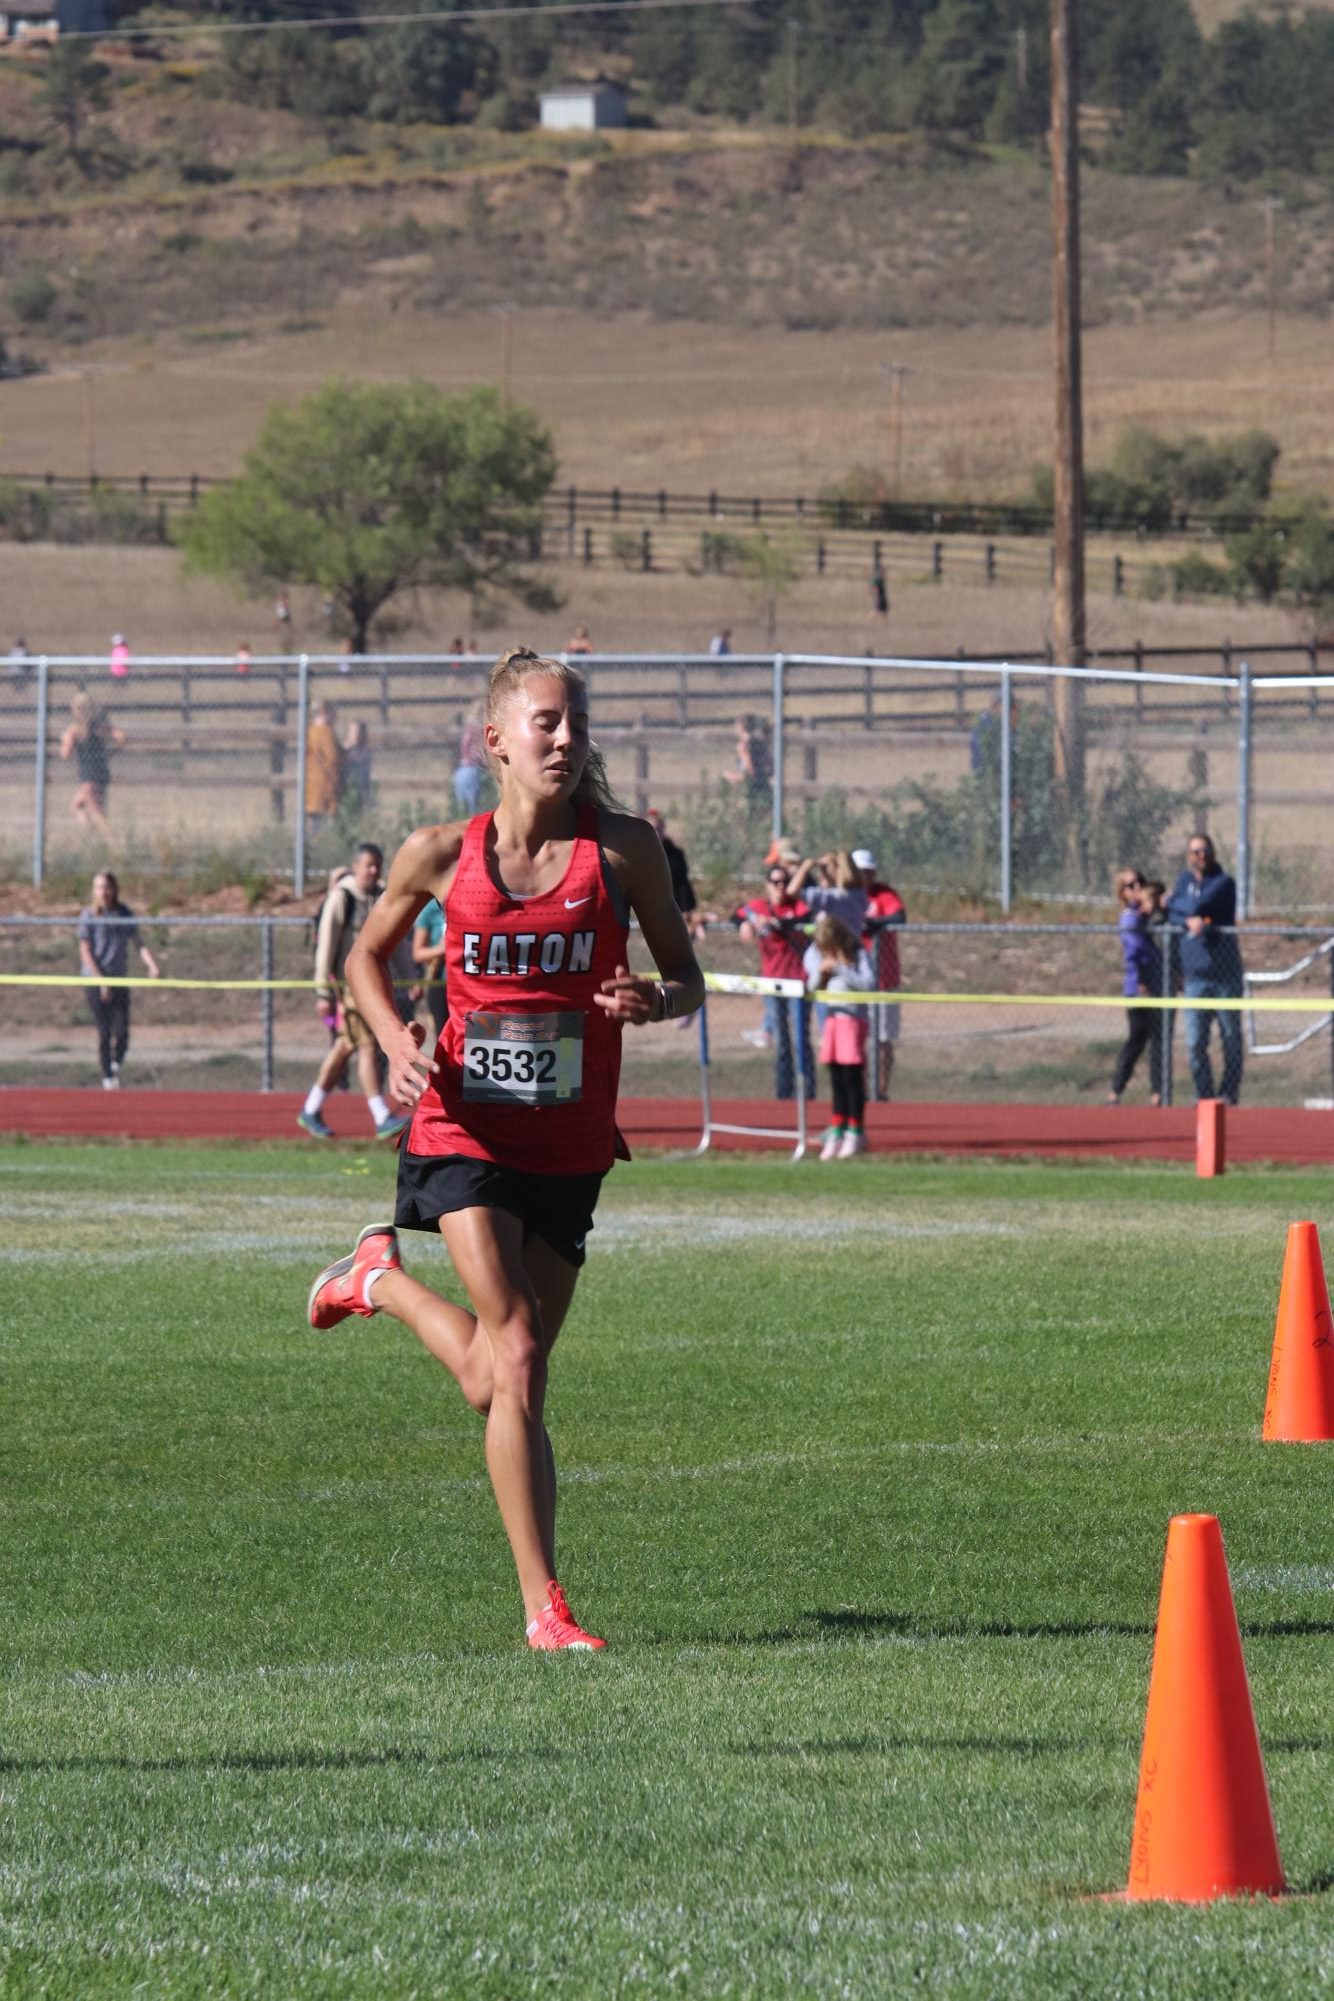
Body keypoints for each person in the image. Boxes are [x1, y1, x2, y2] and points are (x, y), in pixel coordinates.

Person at [305, 644, 705, 1651]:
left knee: (497, 1379)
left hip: (568, 1141)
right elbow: (365, 955)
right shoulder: (441, 852)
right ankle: (544, 1610)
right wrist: (395, 1038)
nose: (565, 738)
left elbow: (689, 976)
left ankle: (377, 1281)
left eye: (574, 722)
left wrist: (655, 999)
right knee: (518, 1348)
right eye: (545, 722)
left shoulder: (624, 853)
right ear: (496, 740)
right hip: (460, 1123)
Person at [298, 843, 411, 1141]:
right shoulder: (342, 899)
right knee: (366, 1046)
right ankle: (380, 1115)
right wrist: (323, 992)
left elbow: (394, 942)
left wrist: (411, 979)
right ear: (356, 865)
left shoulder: (381, 897)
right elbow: (326, 947)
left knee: (346, 1046)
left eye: (378, 865)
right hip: (350, 987)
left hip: (373, 984)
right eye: (368, 865)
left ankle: (311, 1108)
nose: (373, 871)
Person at [1166, 833, 1244, 1105]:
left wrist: (1174, 904)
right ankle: (1205, 1096)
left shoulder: (1224, 882)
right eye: (1195, 851)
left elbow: (1199, 904)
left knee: (1231, 1038)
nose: (1200, 856)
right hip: (1195, 977)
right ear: (1188, 856)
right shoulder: (1184, 882)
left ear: (1212, 853)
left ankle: (1228, 1094)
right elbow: (1174, 914)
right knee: (1194, 1042)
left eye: (1205, 850)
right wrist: (1186, 917)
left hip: (1225, 977)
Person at [734, 860, 814, 1099]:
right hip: (772, 982)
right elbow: (738, 913)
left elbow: (802, 921)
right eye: (775, 882)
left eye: (785, 882)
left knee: (801, 1039)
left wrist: (775, 923)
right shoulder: (759, 907)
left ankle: (807, 1092)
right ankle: (784, 1093)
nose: (780, 886)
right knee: (780, 1040)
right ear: (767, 885)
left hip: (798, 982)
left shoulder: (798, 906)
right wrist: (745, 923)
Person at [77, 870, 161, 1088]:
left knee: (122, 1031)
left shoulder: (124, 914)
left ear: (114, 889)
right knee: (104, 1031)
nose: (103, 892)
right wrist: (100, 980)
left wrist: (152, 965)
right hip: (95, 980)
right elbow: (85, 951)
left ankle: (115, 1064)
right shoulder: (89, 915)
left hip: (118, 979)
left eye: (107, 887)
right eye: (98, 887)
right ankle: (107, 1076)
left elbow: (138, 942)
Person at [803, 912, 874, 1160]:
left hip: (852, 1021)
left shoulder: (858, 953)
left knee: (852, 1079)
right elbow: (811, 985)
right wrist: (822, 975)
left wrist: (842, 969)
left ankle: (855, 1132)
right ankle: (838, 1129)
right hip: (832, 1020)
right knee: (836, 1079)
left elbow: (868, 983)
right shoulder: (817, 954)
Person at [853, 846, 906, 1099]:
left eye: (867, 871)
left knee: (883, 1038)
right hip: (854, 979)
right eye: (858, 871)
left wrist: (874, 924)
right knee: (857, 1040)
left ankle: (881, 1090)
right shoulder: (844, 895)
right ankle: (860, 1091)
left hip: (884, 979)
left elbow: (899, 916)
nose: (864, 876)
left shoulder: (883, 894)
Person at [1107, 869, 1163, 1106]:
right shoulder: (1130, 918)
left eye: (1141, 881)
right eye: (1132, 885)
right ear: (1123, 892)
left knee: (1158, 1040)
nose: (1138, 886)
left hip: (1158, 984)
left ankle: (1158, 1093)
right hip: (1139, 987)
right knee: (1137, 1039)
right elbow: (1135, 953)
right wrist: (1141, 981)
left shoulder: (1145, 915)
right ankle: (1116, 1090)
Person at [60, 692, 124, 845]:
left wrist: (64, 741)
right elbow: (120, 737)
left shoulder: (74, 730)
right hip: (102, 774)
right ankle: (89, 837)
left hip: (88, 776)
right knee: (77, 805)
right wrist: (111, 752)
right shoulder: (101, 726)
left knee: (97, 815)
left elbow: (65, 754)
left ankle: (115, 845)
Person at [785, 849, 869, 935]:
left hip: (833, 946)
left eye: (824, 868)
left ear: (837, 871)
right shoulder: (858, 893)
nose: (820, 874)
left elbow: (792, 891)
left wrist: (805, 868)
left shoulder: (833, 897)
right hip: (851, 945)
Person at [412, 895, 447, 1043]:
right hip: (440, 984)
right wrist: (441, 949)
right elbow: (417, 953)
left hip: (470, 984)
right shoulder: (432, 909)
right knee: (444, 1039)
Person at [305, 700, 342, 831]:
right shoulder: (325, 733)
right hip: (325, 789)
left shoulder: (309, 732)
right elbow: (332, 758)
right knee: (325, 829)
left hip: (310, 789)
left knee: (312, 827)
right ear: (326, 714)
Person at [724, 713, 772, 804]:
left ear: (741, 728)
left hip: (753, 792)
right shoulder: (759, 742)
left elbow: (750, 773)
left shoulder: (744, 746)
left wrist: (733, 777)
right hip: (764, 789)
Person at [453, 701, 489, 816]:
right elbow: (479, 753)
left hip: (462, 770)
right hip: (474, 770)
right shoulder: (480, 730)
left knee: (461, 808)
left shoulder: (468, 729)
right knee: (473, 810)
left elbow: (464, 747)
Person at [342, 718, 373, 817]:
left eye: (359, 731)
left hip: (360, 791)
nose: (356, 734)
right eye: (353, 731)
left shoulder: (365, 753)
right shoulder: (342, 752)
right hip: (344, 791)